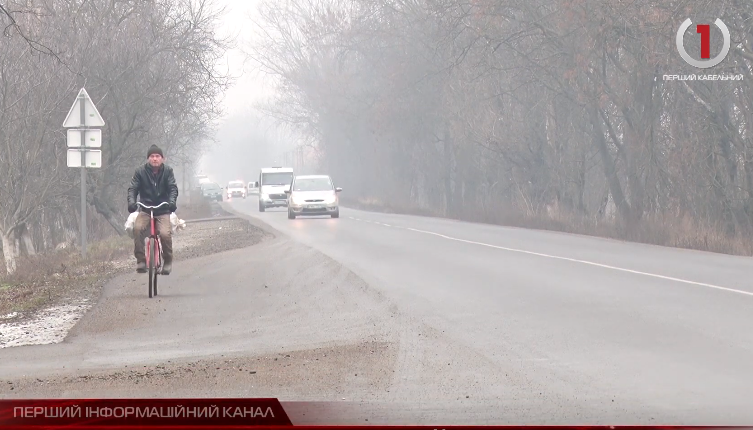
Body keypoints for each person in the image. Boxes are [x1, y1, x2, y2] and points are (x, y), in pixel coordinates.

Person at [127, 144, 178, 275]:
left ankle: (167, 261)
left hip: (163, 210)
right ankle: (141, 261)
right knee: (137, 229)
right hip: (145, 209)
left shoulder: (168, 171)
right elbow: (133, 188)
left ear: (163, 158)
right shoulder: (140, 172)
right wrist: (132, 202)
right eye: (152, 156)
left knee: (165, 234)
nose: (155, 159)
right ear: (148, 158)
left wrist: (172, 202)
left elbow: (172, 188)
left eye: (157, 156)